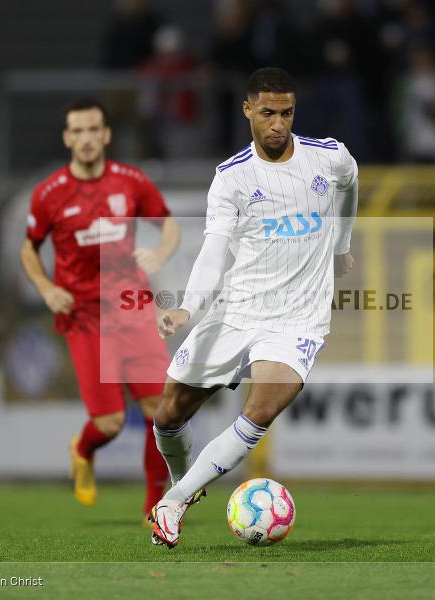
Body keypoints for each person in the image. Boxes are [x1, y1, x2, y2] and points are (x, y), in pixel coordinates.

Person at [147, 67, 358, 548]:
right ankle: (185, 482)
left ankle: (173, 502)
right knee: (169, 414)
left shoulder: (328, 158)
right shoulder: (232, 178)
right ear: (247, 110)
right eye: (267, 113)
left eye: (286, 113)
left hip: (298, 319)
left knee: (260, 409)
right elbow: (215, 248)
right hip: (237, 310)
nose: (278, 124)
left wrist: (342, 243)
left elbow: (351, 182)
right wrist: (188, 307)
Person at [20, 98, 179, 521]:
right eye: (78, 131)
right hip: (83, 314)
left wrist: (160, 255)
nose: (87, 139)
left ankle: (154, 504)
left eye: (94, 130)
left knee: (159, 410)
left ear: (106, 135)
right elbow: (29, 250)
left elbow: (169, 224)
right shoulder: (50, 193)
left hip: (131, 305)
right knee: (109, 422)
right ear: (67, 138)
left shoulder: (130, 182)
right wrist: (46, 288)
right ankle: (83, 448)